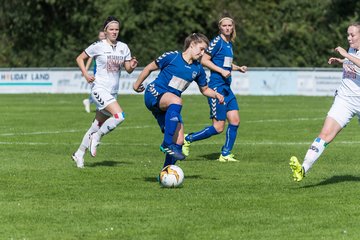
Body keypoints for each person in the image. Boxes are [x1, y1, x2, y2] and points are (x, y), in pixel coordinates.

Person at [133, 33, 224, 168]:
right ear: (192, 45)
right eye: (201, 49)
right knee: (177, 101)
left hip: (168, 105)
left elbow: (204, 90)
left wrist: (216, 95)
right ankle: (167, 143)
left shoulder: (198, 69)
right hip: (154, 93)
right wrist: (136, 85)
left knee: (180, 140)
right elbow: (150, 67)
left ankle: (166, 172)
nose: (203, 53)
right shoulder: (172, 56)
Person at [290, 22, 360, 182]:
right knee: (326, 134)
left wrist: (347, 56)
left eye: (352, 35)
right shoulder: (352, 50)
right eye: (348, 34)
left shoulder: (350, 51)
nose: (349, 38)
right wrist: (341, 61)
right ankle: (303, 169)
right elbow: (354, 62)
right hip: (345, 100)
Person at [72, 16, 138, 168]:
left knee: (96, 124)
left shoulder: (124, 47)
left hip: (113, 92)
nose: (114, 32)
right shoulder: (98, 46)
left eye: (117, 29)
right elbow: (80, 58)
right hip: (99, 89)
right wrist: (85, 73)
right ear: (105, 31)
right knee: (119, 116)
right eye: (111, 29)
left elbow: (127, 70)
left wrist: (132, 65)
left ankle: (79, 153)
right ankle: (97, 137)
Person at [182, 14, 247, 162]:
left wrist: (238, 68)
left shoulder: (229, 44)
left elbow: (225, 64)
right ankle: (188, 138)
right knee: (218, 127)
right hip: (216, 88)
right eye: (224, 26)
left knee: (235, 120)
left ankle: (225, 154)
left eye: (230, 26)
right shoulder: (217, 42)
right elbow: (204, 60)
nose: (227, 28)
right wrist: (221, 71)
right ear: (220, 27)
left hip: (226, 88)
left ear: (233, 27)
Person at [82, 30, 106, 113]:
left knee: (104, 89)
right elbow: (90, 58)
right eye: (101, 36)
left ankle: (91, 102)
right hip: (98, 71)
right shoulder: (97, 46)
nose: (102, 37)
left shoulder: (108, 46)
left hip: (106, 72)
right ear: (98, 37)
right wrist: (85, 70)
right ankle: (94, 104)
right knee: (100, 89)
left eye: (104, 36)